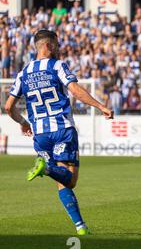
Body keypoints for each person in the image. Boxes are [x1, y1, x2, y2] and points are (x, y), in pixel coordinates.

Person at [4, 30, 114, 235]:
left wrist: (23, 123)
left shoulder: (23, 73)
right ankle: (45, 169)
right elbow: (75, 91)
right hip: (62, 129)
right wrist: (101, 106)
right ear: (49, 46)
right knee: (70, 180)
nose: (59, 48)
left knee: (61, 181)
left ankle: (80, 227)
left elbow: (9, 107)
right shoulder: (57, 66)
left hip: (40, 135)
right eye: (57, 44)